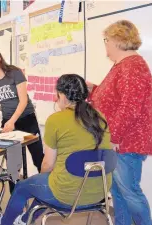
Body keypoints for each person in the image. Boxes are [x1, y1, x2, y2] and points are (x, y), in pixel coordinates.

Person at [0, 74, 112, 225]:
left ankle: (5, 223)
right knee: (40, 184)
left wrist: (43, 178)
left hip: (66, 194)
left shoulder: (56, 120)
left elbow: (47, 165)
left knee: (22, 186)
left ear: (62, 95)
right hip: (100, 192)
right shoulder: (100, 117)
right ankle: (24, 221)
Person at [88, 20, 152, 225]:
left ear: (117, 41)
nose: (105, 45)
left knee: (129, 192)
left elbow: (130, 107)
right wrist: (94, 90)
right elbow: (115, 98)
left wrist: (114, 136)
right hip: (119, 140)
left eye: (106, 40)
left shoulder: (133, 66)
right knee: (118, 192)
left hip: (126, 142)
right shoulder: (123, 65)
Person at [0, 45, 44, 173]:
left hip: (27, 120)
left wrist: (13, 120)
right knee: (13, 165)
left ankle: (46, 188)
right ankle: (15, 192)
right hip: (8, 123)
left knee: (38, 158)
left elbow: (23, 101)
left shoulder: (15, 73)